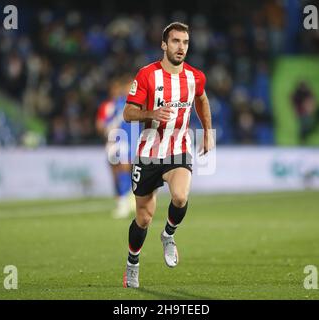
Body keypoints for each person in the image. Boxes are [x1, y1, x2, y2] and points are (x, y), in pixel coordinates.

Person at [121, 22, 214, 288]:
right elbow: (128, 113)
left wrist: (208, 131)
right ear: (164, 44)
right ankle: (132, 263)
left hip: (178, 149)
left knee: (181, 196)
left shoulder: (195, 77)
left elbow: (202, 99)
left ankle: (168, 235)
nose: (181, 47)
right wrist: (151, 113)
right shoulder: (148, 75)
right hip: (149, 154)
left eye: (185, 42)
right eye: (175, 41)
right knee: (143, 217)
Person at [96, 75, 137, 219]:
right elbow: (106, 122)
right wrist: (108, 127)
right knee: (121, 169)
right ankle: (124, 201)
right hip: (121, 140)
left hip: (134, 139)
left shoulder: (139, 101)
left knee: (131, 170)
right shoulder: (118, 103)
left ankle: (130, 198)